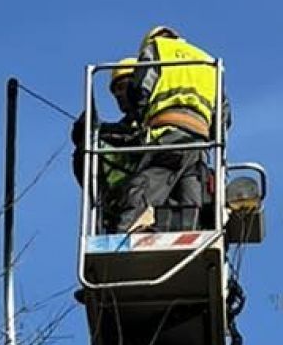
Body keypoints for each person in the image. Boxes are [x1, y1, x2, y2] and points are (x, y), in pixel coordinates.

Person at [112, 26, 219, 233]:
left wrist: (142, 119)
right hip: (198, 141)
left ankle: (130, 231)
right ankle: (190, 232)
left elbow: (141, 88)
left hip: (168, 133)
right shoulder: (207, 61)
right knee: (190, 194)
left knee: (146, 182)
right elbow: (223, 116)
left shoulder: (157, 49)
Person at [72, 59, 145, 232]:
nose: (119, 94)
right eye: (115, 90)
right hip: (122, 200)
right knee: (86, 150)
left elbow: (134, 139)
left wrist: (100, 128)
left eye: (123, 86)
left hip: (150, 192)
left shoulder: (154, 118)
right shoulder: (123, 127)